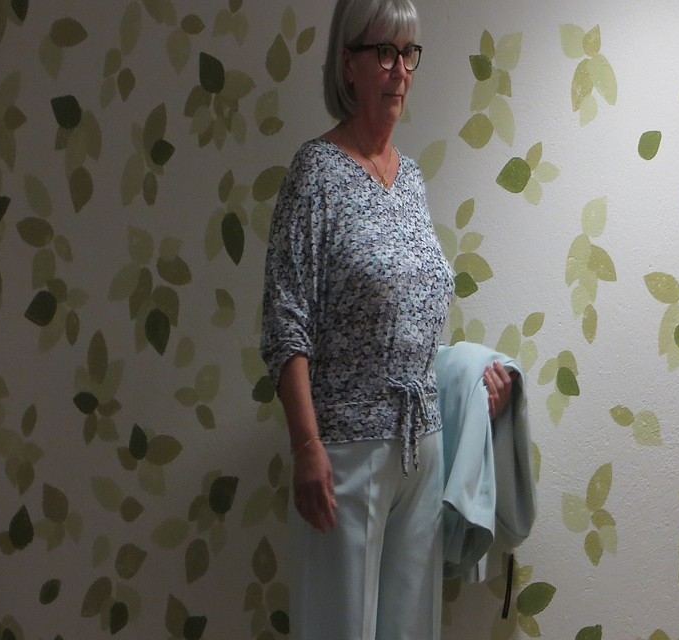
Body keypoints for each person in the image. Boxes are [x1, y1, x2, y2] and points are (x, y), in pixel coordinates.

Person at [260, 1, 514, 637]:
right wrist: (306, 446)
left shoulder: (412, 180)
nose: (400, 71)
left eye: (409, 54)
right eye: (384, 53)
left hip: (421, 448)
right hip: (345, 450)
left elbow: (413, 322)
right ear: (348, 63)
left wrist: (471, 390)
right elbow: (285, 321)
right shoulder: (316, 173)